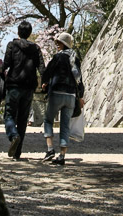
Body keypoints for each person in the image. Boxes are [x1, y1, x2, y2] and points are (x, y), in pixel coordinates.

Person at [3, 21, 45, 160]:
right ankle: (17, 153)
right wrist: (44, 82)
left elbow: (7, 64)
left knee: (9, 115)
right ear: (30, 33)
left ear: (18, 32)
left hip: (14, 85)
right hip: (28, 88)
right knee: (22, 119)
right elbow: (41, 68)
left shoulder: (12, 45)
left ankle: (13, 135)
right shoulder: (36, 48)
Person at [41, 31, 84, 167]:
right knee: (65, 125)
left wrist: (45, 82)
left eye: (59, 43)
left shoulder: (58, 58)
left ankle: (50, 150)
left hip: (57, 92)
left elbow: (47, 73)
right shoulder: (75, 59)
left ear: (63, 44)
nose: (57, 45)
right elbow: (80, 80)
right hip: (71, 95)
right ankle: (62, 155)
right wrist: (81, 96)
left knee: (48, 120)